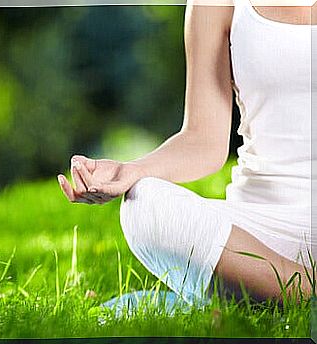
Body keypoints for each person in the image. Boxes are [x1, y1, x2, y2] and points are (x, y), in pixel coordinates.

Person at [57, 0, 316, 309]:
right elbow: (203, 138)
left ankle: (261, 298)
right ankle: (298, 292)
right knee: (144, 204)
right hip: (255, 237)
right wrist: (130, 172)